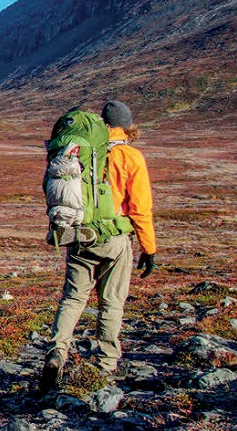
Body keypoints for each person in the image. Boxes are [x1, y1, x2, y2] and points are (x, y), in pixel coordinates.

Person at [39, 100, 157, 393]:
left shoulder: (82, 151)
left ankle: (56, 354)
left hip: (79, 235)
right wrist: (149, 248)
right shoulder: (130, 156)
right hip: (114, 240)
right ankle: (105, 366)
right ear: (128, 126)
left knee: (73, 298)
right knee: (111, 302)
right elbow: (140, 208)